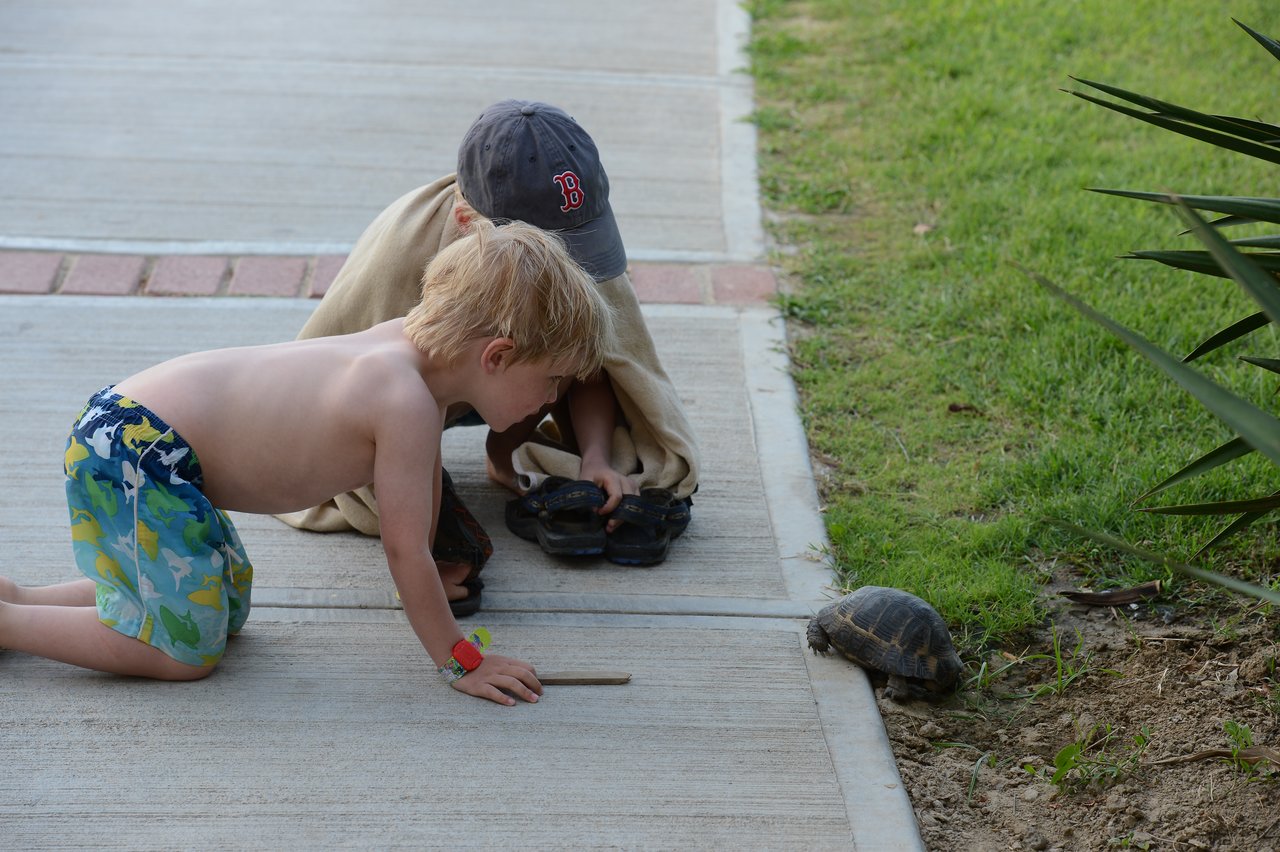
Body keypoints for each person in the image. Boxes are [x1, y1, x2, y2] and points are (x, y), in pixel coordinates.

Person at [0, 221, 612, 706]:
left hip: (144, 441)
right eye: (552, 381)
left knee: (224, 604)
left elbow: (416, 519)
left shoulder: (415, 365)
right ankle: (8, 623)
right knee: (186, 653)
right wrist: (458, 658)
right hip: (139, 451)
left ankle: (21, 596)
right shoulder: (403, 399)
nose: (551, 399)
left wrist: (433, 579)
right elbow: (404, 552)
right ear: (498, 356)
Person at [277, 99, 699, 570]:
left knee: (583, 347)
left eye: (579, 249)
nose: (570, 272)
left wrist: (595, 457)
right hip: (411, 393)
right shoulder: (403, 254)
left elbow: (598, 360)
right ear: (465, 221)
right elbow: (334, 398)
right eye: (546, 255)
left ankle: (506, 453)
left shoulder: (575, 249)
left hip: (511, 380)